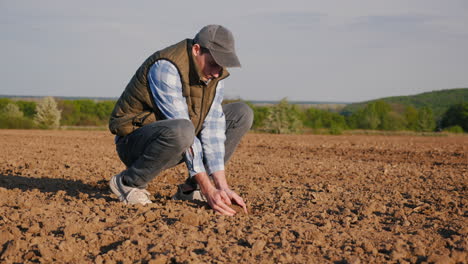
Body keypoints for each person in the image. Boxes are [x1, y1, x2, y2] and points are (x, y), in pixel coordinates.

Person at [108, 25, 253, 216]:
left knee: (241, 113)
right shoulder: (166, 67)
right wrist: (209, 190)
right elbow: (184, 129)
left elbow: (213, 128)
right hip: (135, 141)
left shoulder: (214, 76)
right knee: (183, 129)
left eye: (221, 65)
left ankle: (191, 189)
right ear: (196, 50)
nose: (217, 72)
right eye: (213, 63)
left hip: (180, 134)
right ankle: (128, 182)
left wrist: (221, 186)